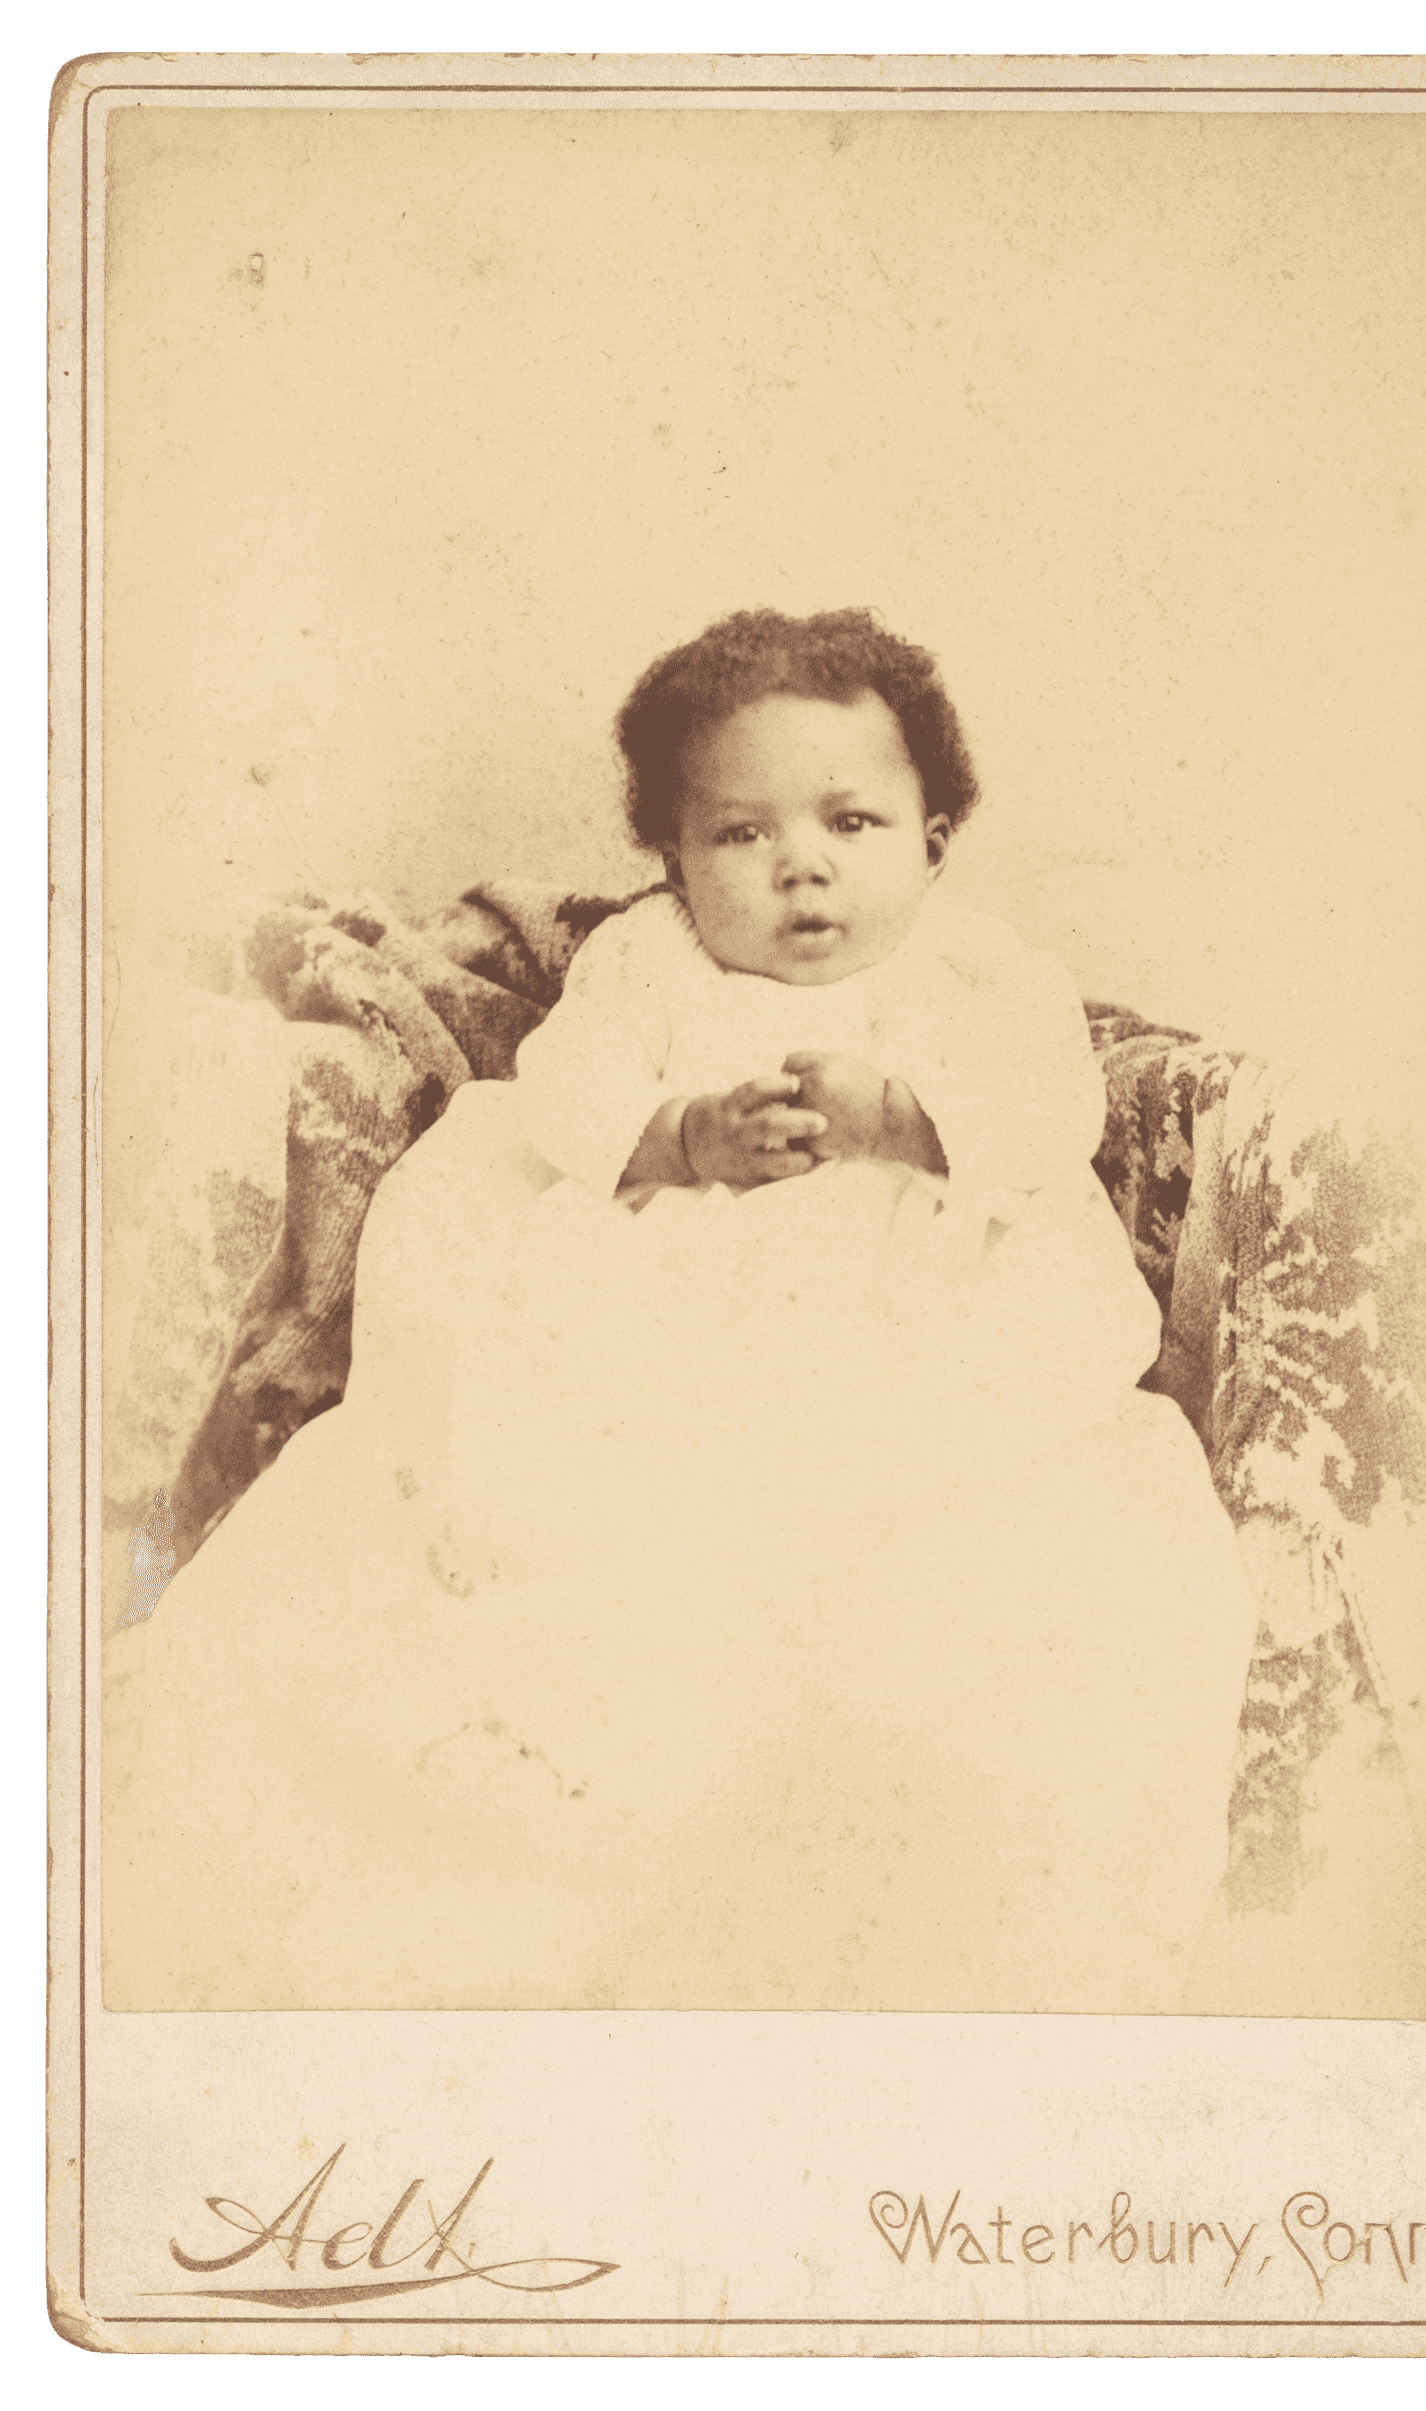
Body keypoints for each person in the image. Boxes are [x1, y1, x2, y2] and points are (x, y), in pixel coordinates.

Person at [104, 609, 1258, 2014]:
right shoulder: (649, 964)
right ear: (672, 859)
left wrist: (908, 1116)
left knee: (1006, 1569)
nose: (802, 866)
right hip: (669, 1319)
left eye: (852, 820)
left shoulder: (980, 972)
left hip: (913, 1314)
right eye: (740, 835)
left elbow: (1048, 1109)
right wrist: (681, 1135)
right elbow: (566, 1086)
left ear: (936, 836)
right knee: (556, 1549)